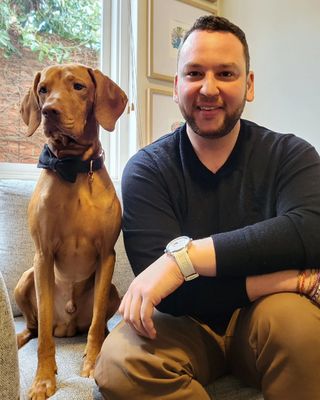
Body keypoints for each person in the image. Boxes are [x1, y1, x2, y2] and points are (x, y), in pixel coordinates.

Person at [94, 15, 320, 400]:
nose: (209, 89)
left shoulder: (291, 154)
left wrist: (184, 259)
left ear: (248, 85)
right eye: (195, 73)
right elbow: (173, 297)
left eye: (226, 73)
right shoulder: (146, 170)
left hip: (267, 319)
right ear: (177, 85)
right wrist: (288, 279)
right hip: (181, 326)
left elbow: (310, 231)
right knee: (119, 361)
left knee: (301, 328)